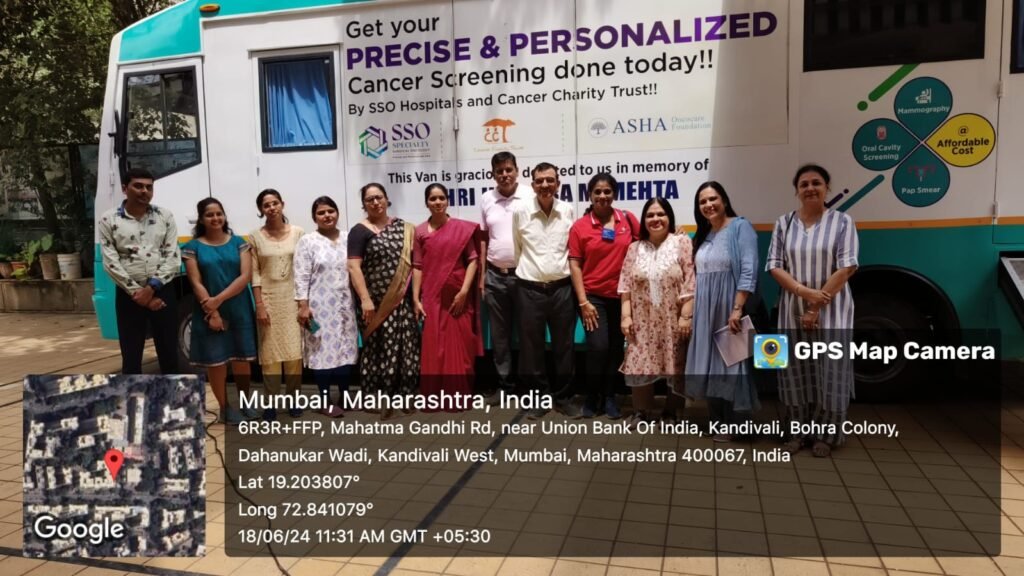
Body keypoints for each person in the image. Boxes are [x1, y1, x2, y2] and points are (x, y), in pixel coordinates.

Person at [767, 164, 859, 457]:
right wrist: (804, 294)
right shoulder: (784, 223)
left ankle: (827, 435)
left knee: (830, 370)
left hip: (833, 310)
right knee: (793, 370)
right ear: (797, 190)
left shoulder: (842, 222)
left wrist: (815, 306)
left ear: (827, 187)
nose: (810, 188)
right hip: (792, 308)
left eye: (816, 183)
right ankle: (796, 433)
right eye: (804, 184)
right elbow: (774, 266)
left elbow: (847, 267)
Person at [684, 181, 761, 441]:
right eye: (702, 201)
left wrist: (737, 309)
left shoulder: (740, 227)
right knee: (711, 365)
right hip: (705, 312)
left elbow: (749, 269)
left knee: (734, 365)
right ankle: (717, 422)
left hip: (730, 308)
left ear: (724, 200)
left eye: (713, 199)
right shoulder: (704, 234)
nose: (708, 204)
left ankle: (738, 424)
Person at [619, 197, 695, 429]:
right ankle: (641, 412)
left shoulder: (682, 242)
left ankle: (672, 412)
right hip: (642, 321)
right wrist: (626, 316)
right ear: (643, 220)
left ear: (669, 217)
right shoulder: (635, 248)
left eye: (660, 214)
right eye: (650, 215)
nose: (655, 219)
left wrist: (686, 316)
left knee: (675, 364)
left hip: (674, 320)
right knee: (638, 362)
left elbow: (691, 281)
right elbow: (625, 286)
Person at [568, 173, 639, 419]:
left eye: (607, 191)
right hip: (592, 298)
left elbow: (647, 242)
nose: (602, 196)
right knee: (598, 347)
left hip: (622, 297)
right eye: (597, 191)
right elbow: (575, 265)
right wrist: (583, 302)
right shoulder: (580, 227)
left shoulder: (627, 220)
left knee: (615, 349)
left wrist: (677, 232)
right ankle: (591, 396)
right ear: (590, 195)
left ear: (614, 194)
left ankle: (609, 396)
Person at [182, 198, 257, 424]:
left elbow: (245, 277)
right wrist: (213, 311)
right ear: (201, 219)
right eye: (209, 215)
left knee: (242, 358)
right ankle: (225, 408)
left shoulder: (239, 243)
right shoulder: (192, 248)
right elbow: (195, 282)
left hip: (239, 308)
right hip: (208, 312)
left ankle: (245, 403)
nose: (215, 218)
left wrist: (218, 300)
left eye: (219, 214)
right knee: (217, 362)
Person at [347, 183, 420, 417]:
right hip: (374, 304)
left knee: (406, 347)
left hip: (402, 301)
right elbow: (353, 267)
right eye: (369, 199)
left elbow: (416, 264)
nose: (375, 202)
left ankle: (405, 395)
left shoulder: (404, 228)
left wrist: (415, 298)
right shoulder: (359, 231)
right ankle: (375, 397)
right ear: (364, 204)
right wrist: (365, 300)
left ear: (387, 199)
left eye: (378, 197)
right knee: (376, 348)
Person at [98, 167, 179, 375]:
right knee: (131, 355)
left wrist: (150, 290)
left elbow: (172, 257)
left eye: (149, 187)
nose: (145, 191)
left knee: (170, 354)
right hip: (128, 295)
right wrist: (137, 293)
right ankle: (133, 395)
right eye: (138, 186)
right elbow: (110, 262)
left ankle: (172, 395)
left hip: (162, 291)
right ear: (125, 188)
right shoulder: (109, 220)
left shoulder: (164, 216)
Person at [512, 162, 579, 418]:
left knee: (565, 347)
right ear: (533, 185)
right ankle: (539, 398)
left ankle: (564, 398)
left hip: (562, 289)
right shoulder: (521, 211)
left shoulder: (567, 210)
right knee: (532, 349)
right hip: (529, 289)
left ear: (558, 183)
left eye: (550, 180)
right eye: (539, 180)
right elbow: (518, 249)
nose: (545, 185)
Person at [412, 183, 481, 407]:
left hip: (458, 297)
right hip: (432, 297)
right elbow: (417, 266)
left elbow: (473, 260)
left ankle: (458, 394)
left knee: (461, 345)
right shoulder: (420, 232)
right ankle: (435, 396)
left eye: (442, 198)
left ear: (448, 201)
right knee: (435, 345)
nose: (438, 202)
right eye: (433, 199)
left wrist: (464, 292)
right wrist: (416, 298)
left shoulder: (461, 229)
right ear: (426, 203)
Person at [295, 196, 359, 418]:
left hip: (345, 306)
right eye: (321, 213)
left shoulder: (348, 238)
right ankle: (324, 400)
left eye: (330, 211)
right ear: (314, 217)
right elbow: (301, 275)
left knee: (346, 350)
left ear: (337, 213)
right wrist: (303, 306)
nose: (327, 216)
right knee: (321, 352)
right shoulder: (307, 241)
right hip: (319, 308)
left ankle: (345, 395)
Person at [479, 151, 530, 402]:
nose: (505, 175)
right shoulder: (486, 198)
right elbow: (484, 239)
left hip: (525, 277)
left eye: (509, 169)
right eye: (499, 171)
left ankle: (529, 387)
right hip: (495, 277)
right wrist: (482, 276)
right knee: (500, 337)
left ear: (517, 171)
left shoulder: (530, 195)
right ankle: (505, 387)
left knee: (529, 334)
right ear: (493, 174)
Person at [249, 189, 304, 421]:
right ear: (261, 210)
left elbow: (304, 269)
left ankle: (293, 400)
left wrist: (304, 302)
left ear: (282, 204)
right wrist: (259, 304)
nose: (271, 208)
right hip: (269, 301)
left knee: (294, 354)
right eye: (266, 205)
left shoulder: (298, 233)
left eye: (275, 203)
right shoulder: (255, 237)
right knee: (270, 354)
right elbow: (254, 273)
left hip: (293, 300)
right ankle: (270, 403)